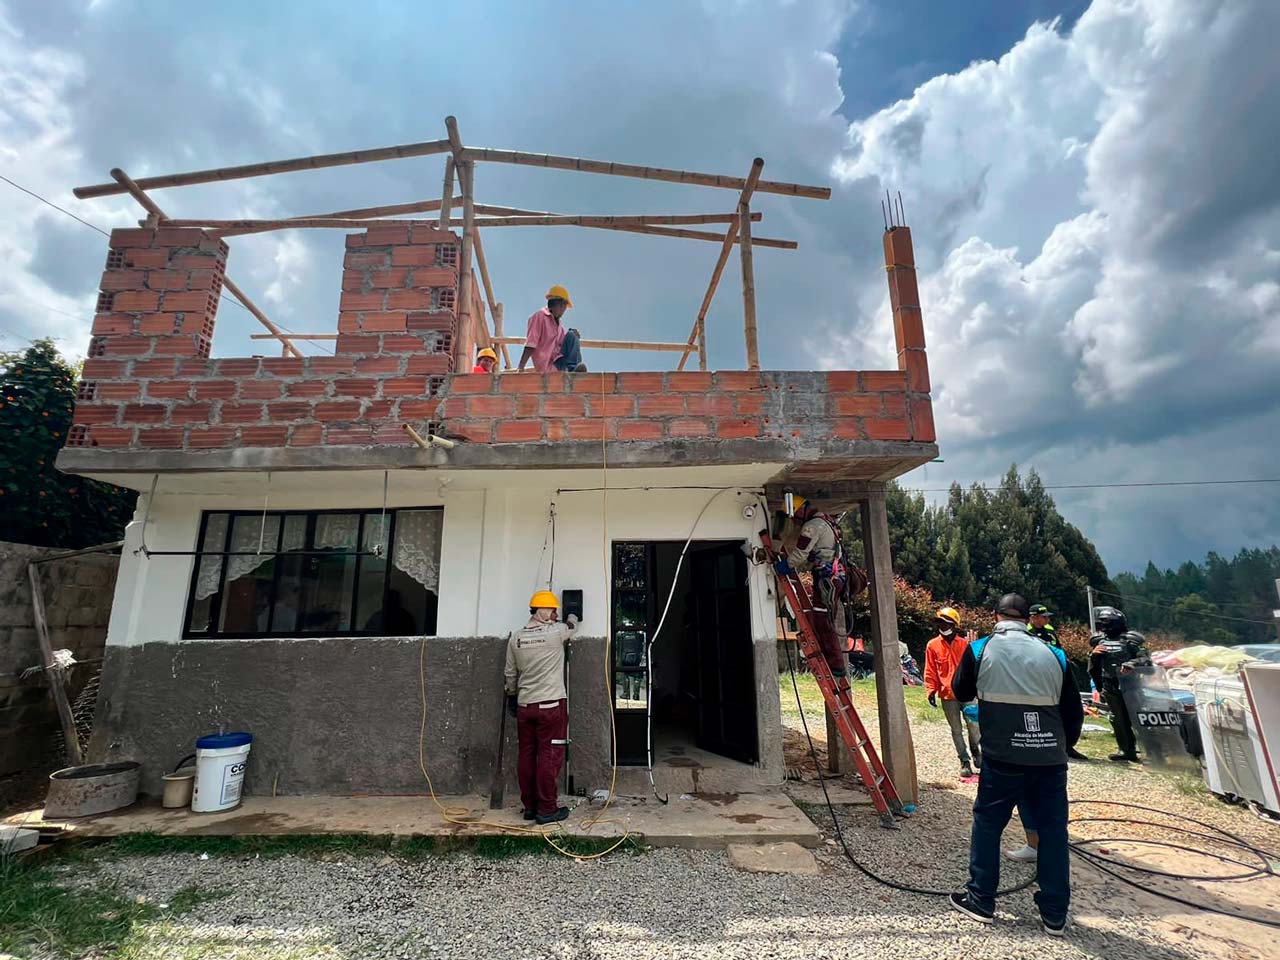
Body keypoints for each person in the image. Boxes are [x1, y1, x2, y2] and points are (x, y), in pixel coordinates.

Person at [948, 593, 1083, 937]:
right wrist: (1061, 747)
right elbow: (1073, 711)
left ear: (996, 616)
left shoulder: (980, 649)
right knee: (1053, 831)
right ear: (1027, 618)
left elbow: (961, 690)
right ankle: (1054, 914)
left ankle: (981, 900)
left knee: (989, 823)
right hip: (1049, 758)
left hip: (1003, 755)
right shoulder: (1054, 653)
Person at [505, 590, 578, 825]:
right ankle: (547, 809)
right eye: (552, 610)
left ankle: (530, 807)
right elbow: (572, 626)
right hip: (551, 705)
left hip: (525, 706)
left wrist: (512, 698)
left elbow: (510, 675)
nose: (556, 614)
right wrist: (573, 615)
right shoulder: (556, 632)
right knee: (549, 755)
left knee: (526, 754)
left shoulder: (516, 638)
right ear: (541, 611)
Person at [776, 496, 850, 678]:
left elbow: (800, 553)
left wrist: (784, 566)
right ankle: (833, 660)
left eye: (793, 515)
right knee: (823, 617)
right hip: (836, 577)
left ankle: (836, 664)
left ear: (800, 510)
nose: (793, 520)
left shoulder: (812, 526)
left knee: (822, 619)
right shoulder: (827, 522)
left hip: (827, 579)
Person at [924, 607, 982, 778]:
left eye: (946, 623)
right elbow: (930, 670)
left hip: (968, 693)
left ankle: (976, 753)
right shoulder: (932, 645)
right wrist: (930, 690)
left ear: (955, 625)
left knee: (974, 725)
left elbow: (974, 669)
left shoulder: (965, 645)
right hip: (947, 695)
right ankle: (964, 761)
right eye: (940, 622)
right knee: (956, 729)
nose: (942, 625)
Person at [1088, 605, 1148, 763]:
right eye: (1103, 622)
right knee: (1116, 718)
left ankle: (1151, 751)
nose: (1105, 625)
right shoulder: (1099, 641)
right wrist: (1094, 656)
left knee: (1138, 718)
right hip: (1110, 684)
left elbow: (1146, 660)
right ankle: (1126, 750)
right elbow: (1093, 668)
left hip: (1132, 685)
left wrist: (1132, 663)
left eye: (1108, 622)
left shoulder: (1131, 640)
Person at [518, 285, 586, 373]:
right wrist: (521, 367)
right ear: (560, 304)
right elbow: (531, 343)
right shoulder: (540, 316)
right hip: (547, 367)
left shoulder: (559, 327)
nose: (563, 312)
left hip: (559, 364)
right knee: (571, 335)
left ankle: (574, 370)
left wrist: (573, 336)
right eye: (564, 308)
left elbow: (564, 344)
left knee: (572, 335)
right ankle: (573, 370)